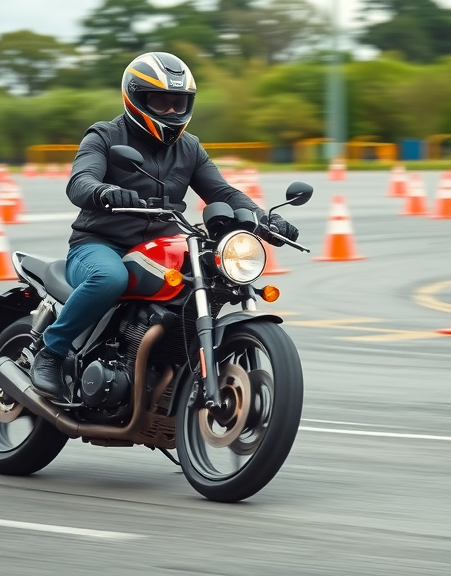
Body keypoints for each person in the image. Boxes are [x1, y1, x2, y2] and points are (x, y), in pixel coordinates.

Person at [30, 51, 299, 402]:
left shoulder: (189, 147)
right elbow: (79, 183)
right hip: (100, 243)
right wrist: (106, 192)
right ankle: (50, 353)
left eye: (178, 102)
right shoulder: (104, 136)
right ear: (136, 98)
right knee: (110, 278)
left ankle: (169, 369)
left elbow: (222, 192)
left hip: (162, 245)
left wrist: (264, 219)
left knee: (212, 274)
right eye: (160, 101)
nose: (171, 111)